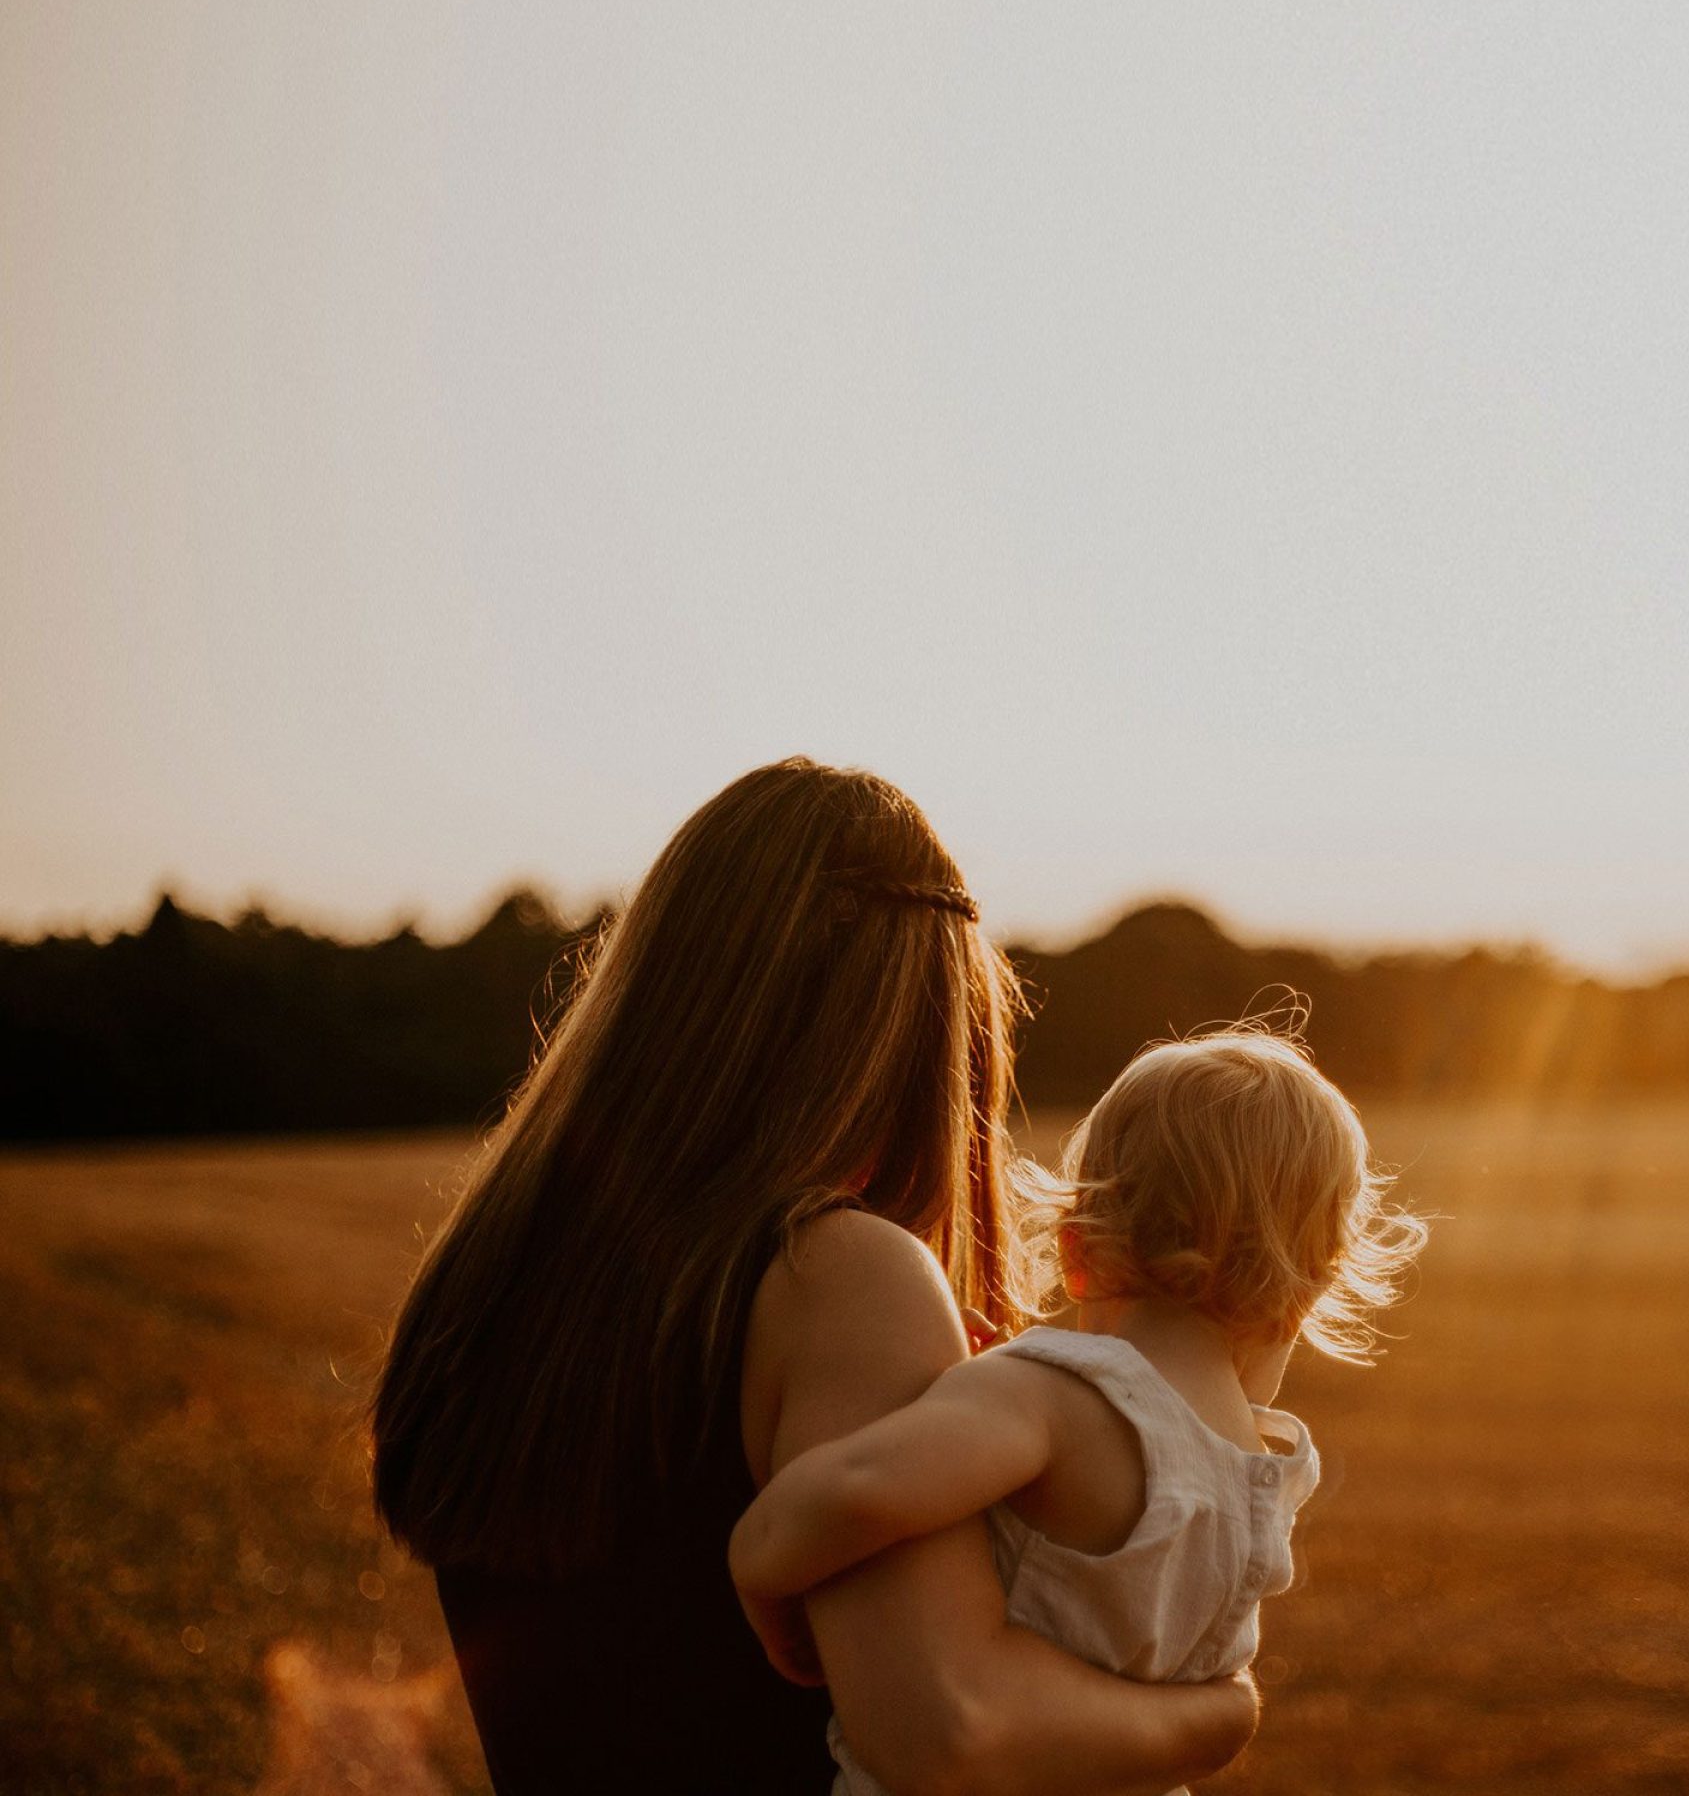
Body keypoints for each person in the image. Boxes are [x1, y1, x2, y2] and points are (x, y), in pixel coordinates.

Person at [371, 759, 1258, 1796]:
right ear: (927, 1028)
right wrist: (1213, 1714)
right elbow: (947, 1735)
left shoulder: (498, 1274)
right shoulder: (837, 1276)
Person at [729, 1031, 1425, 1796]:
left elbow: (863, 1482)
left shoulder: (1056, 1395)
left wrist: (759, 1561)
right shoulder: (1266, 1477)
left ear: (1075, 1250)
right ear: (1303, 1301)